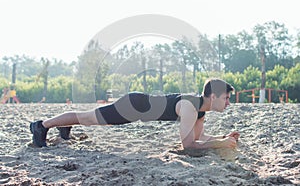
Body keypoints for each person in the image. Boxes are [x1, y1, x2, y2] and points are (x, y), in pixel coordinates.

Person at [30, 78, 240, 148]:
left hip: (137, 108)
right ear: (213, 96)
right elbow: (188, 146)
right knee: (88, 118)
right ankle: (41, 125)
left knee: (87, 118)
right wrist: (219, 144)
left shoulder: (200, 111)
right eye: (226, 98)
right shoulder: (190, 107)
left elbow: (199, 137)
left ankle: (64, 125)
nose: (229, 103)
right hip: (132, 106)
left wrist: (223, 139)